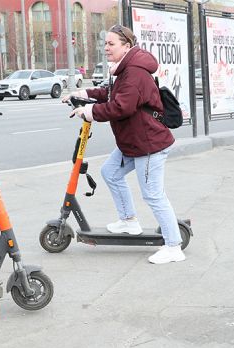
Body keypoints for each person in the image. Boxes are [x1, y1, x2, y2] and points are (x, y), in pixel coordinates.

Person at [65, 24, 185, 264]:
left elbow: (122, 106)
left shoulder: (135, 72)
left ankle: (174, 246)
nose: (106, 48)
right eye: (105, 43)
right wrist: (82, 93)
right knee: (110, 172)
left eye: (111, 44)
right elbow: (111, 93)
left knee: (153, 195)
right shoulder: (123, 69)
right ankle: (129, 221)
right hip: (134, 141)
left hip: (148, 144)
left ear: (126, 46)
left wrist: (89, 111)